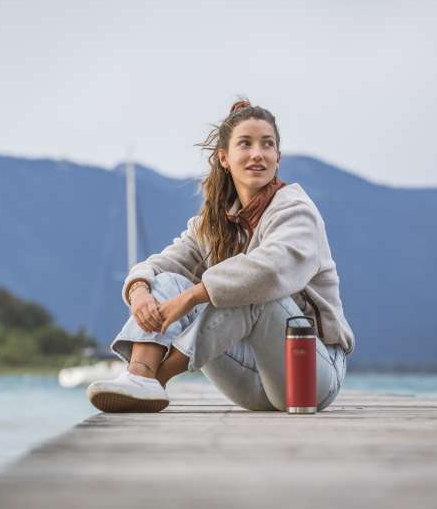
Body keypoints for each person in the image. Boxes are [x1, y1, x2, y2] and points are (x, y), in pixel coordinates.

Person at [87, 98, 355, 413]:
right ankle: (140, 377)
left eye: (267, 145)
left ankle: (156, 378)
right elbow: (163, 263)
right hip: (249, 380)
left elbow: (268, 272)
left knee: (255, 293)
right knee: (169, 280)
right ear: (224, 158)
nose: (258, 153)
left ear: (277, 158)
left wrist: (192, 297)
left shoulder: (296, 211)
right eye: (246, 143)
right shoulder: (214, 223)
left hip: (309, 377)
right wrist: (139, 288)